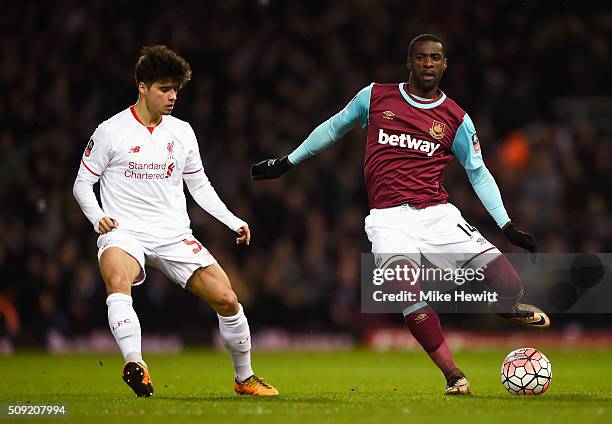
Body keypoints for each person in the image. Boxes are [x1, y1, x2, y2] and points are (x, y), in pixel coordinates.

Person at [251, 34, 550, 395]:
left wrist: (506, 224)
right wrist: (287, 162)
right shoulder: (375, 97)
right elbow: (333, 127)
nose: (428, 64)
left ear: (444, 65)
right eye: (421, 58)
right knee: (406, 290)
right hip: (388, 219)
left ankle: (503, 306)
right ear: (409, 62)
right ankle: (455, 376)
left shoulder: (456, 118)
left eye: (435, 58)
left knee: (509, 286)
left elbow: (478, 171)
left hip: (438, 215)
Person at [73, 45, 278, 397]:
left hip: (172, 234)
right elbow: (82, 183)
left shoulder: (181, 131)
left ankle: (244, 378)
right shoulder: (111, 131)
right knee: (118, 279)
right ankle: (135, 363)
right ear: (142, 87)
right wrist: (98, 218)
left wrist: (231, 220)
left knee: (228, 299)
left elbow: (199, 185)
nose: (172, 97)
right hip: (125, 232)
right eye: (164, 89)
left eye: (175, 90)